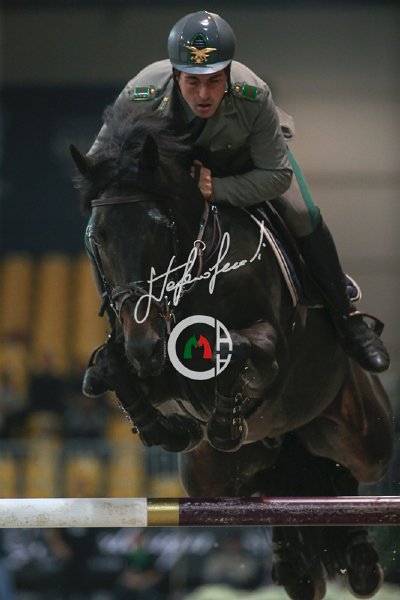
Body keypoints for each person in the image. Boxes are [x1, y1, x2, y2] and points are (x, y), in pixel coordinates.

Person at [82, 10, 389, 397]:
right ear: (175, 75)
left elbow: (276, 176)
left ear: (228, 73)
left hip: (247, 166)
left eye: (214, 81)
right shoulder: (142, 92)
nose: (204, 95)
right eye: (193, 82)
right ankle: (116, 337)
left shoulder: (252, 94)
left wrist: (217, 190)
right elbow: (99, 168)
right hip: (177, 180)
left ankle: (347, 321)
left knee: (303, 213)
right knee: (98, 228)